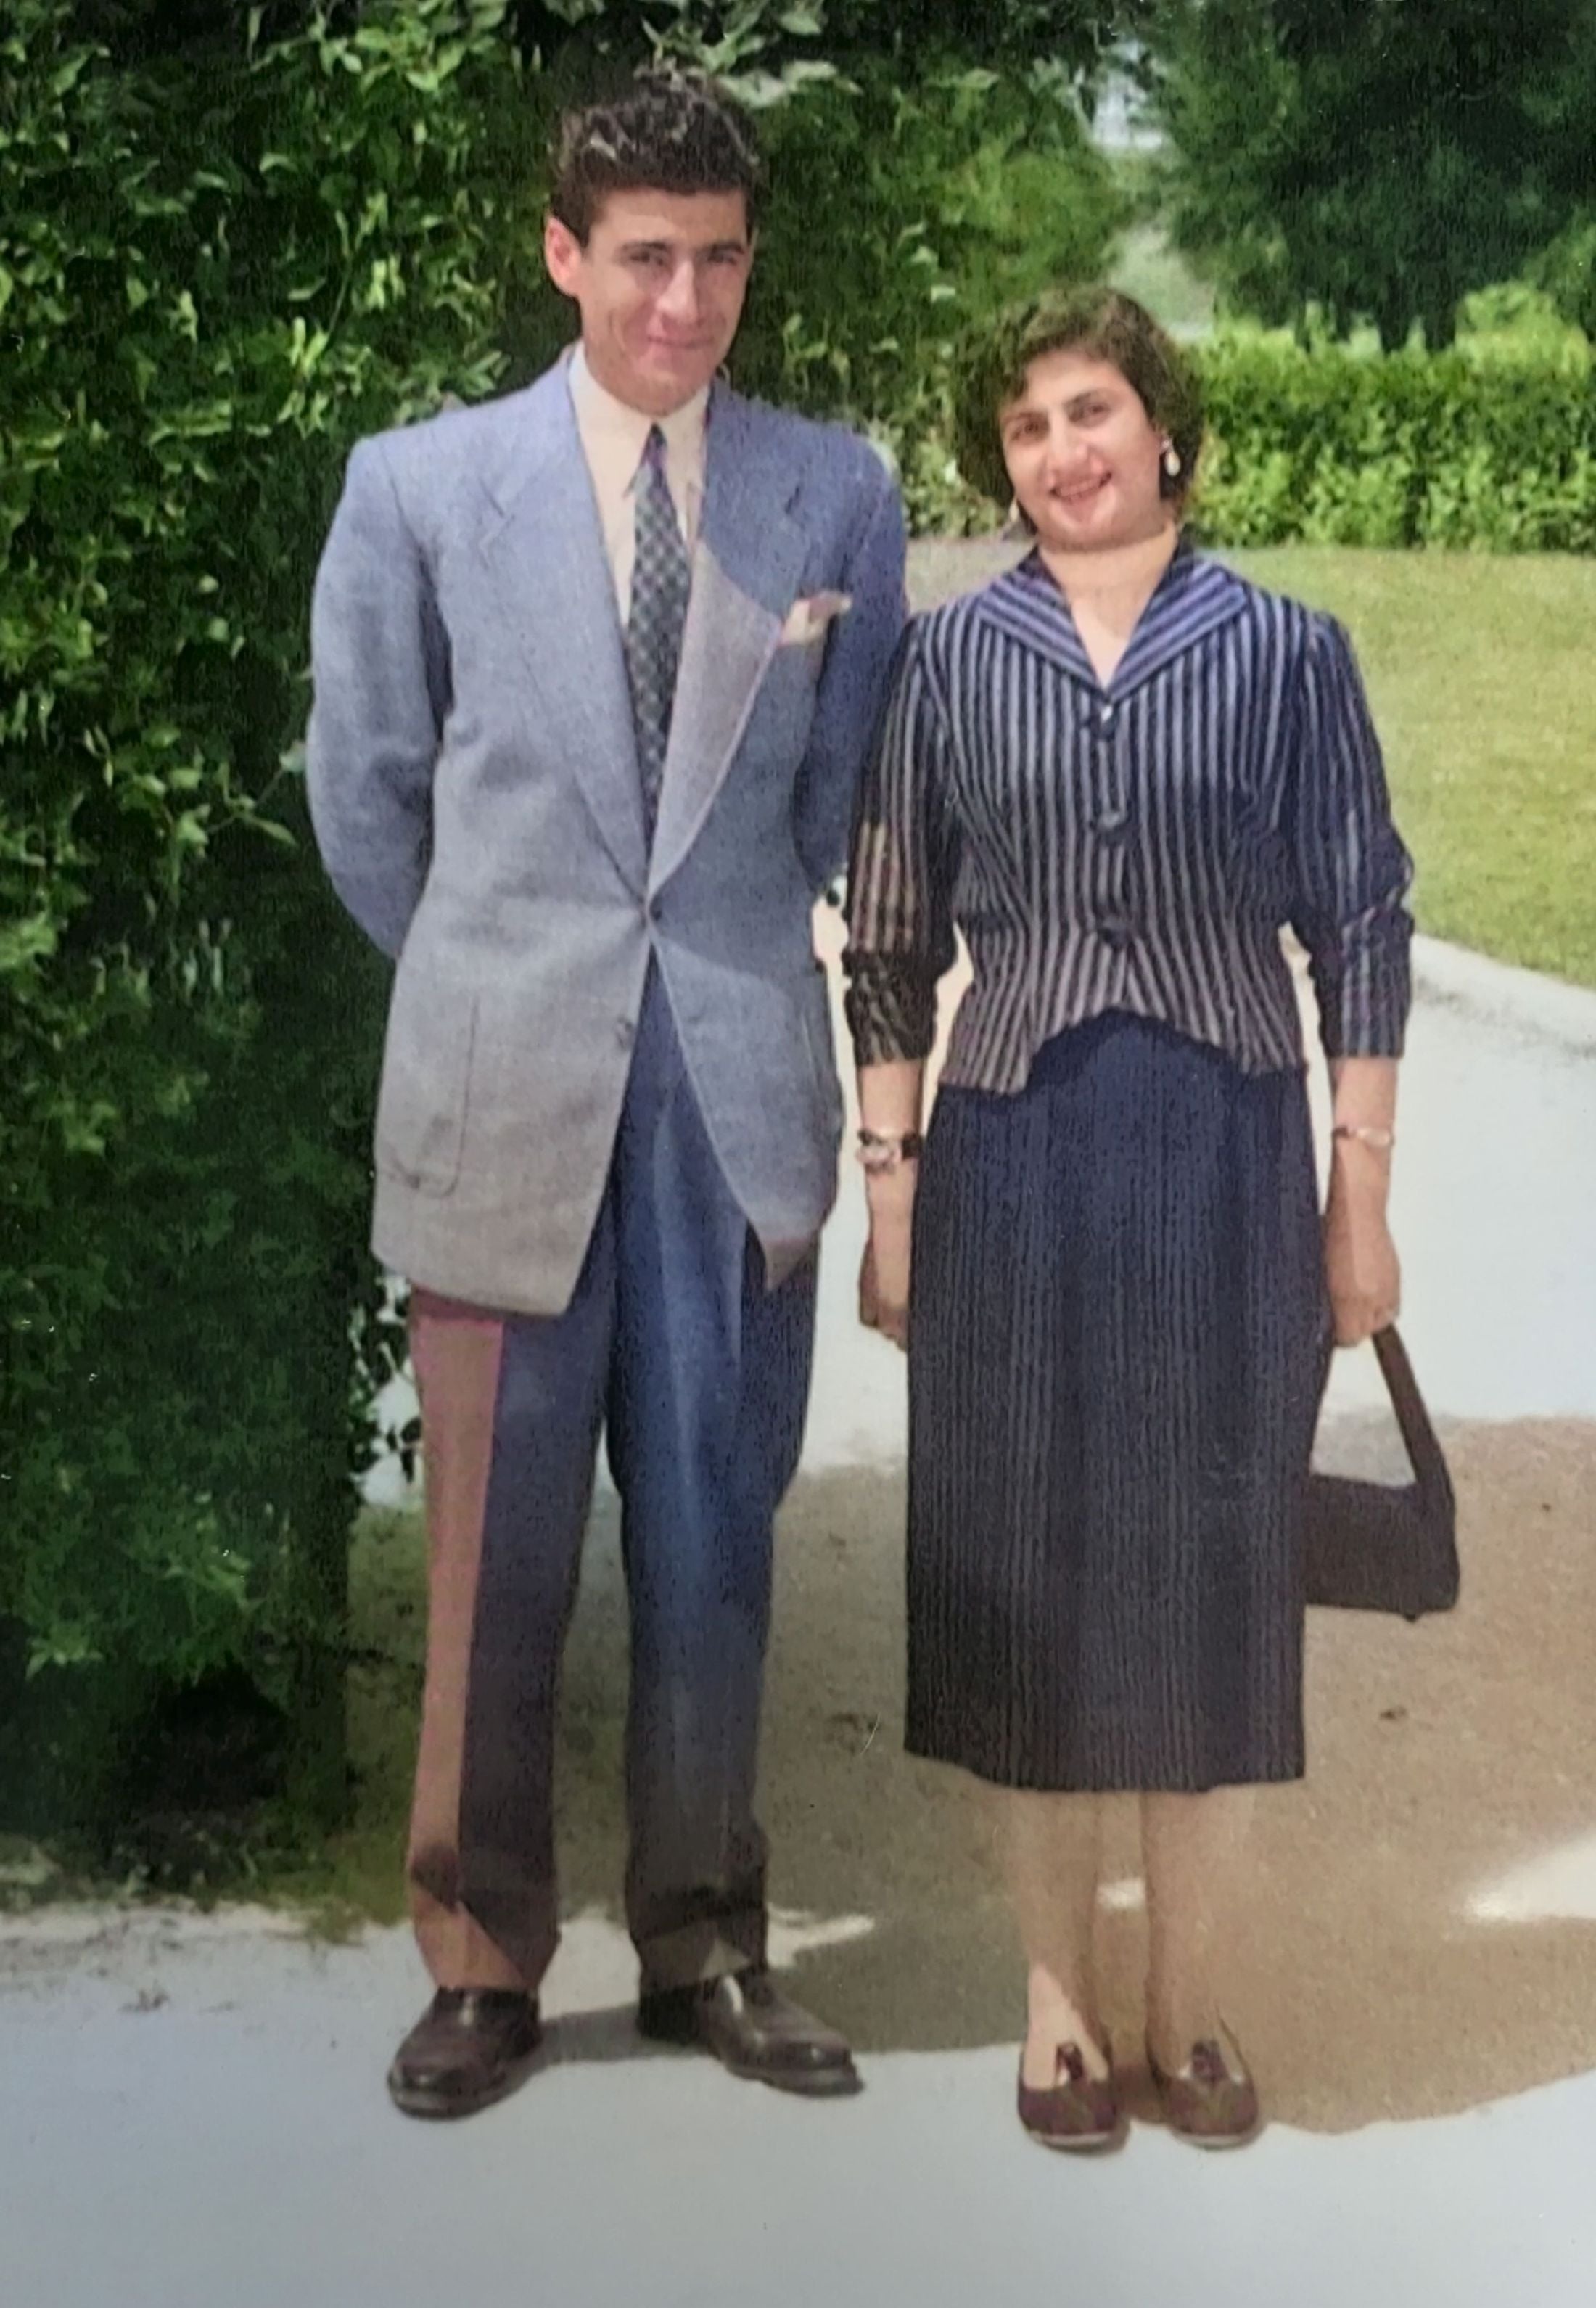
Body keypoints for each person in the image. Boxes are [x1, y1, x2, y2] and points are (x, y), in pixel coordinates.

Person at [307, 70, 906, 2121]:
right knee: (489, 1553)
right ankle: (479, 1956)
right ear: (563, 254)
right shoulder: (417, 487)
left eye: (720, 256)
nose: (685, 297)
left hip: (733, 1088)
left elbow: (842, 800)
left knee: (720, 1542)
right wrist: (499, 979)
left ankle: (706, 1941)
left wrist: (723, 963)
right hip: (504, 1081)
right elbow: (367, 795)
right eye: (644, 255)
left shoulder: (835, 494)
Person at [842, 287, 1412, 2151]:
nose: (1060, 453)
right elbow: (889, 942)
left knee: (1209, 1591)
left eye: (1088, 411)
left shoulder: (1279, 652)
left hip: (1221, 1156)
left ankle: (1190, 2001)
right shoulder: (942, 661)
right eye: (1021, 429)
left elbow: (1364, 931)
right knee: (1023, 1590)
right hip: (1007, 1156)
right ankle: (1055, 1998)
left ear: (1162, 427)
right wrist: (894, 1195)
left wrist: (1357, 1210)